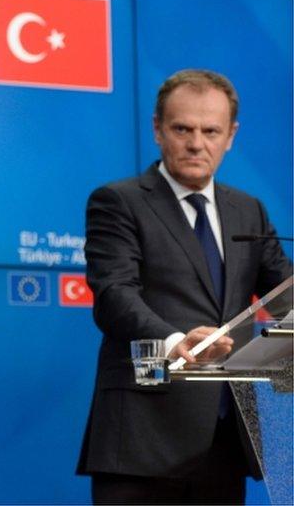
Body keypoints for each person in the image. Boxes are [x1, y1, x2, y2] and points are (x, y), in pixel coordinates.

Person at [76, 69, 292, 504]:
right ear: (158, 129)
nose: (197, 144)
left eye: (211, 131)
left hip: (225, 436)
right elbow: (115, 295)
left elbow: (285, 294)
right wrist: (176, 342)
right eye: (183, 129)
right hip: (142, 439)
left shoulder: (247, 210)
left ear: (230, 135)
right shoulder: (119, 201)